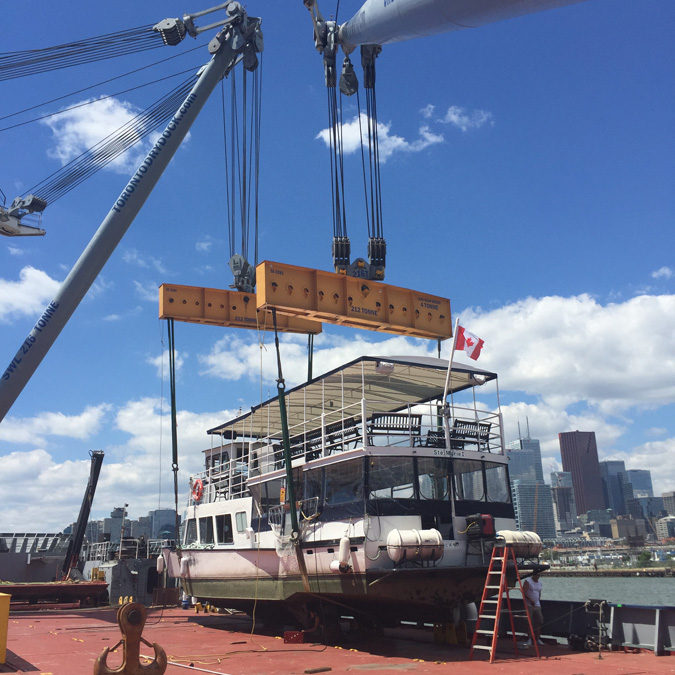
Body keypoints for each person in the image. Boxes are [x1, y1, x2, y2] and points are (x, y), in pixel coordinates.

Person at [522, 569, 545, 647]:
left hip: (537, 604)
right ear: (533, 575)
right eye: (536, 575)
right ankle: (529, 639)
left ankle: (537, 638)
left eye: (539, 575)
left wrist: (538, 600)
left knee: (539, 621)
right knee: (529, 622)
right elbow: (523, 592)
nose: (538, 577)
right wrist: (530, 600)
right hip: (529, 605)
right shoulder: (528, 581)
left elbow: (539, 592)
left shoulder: (539, 583)